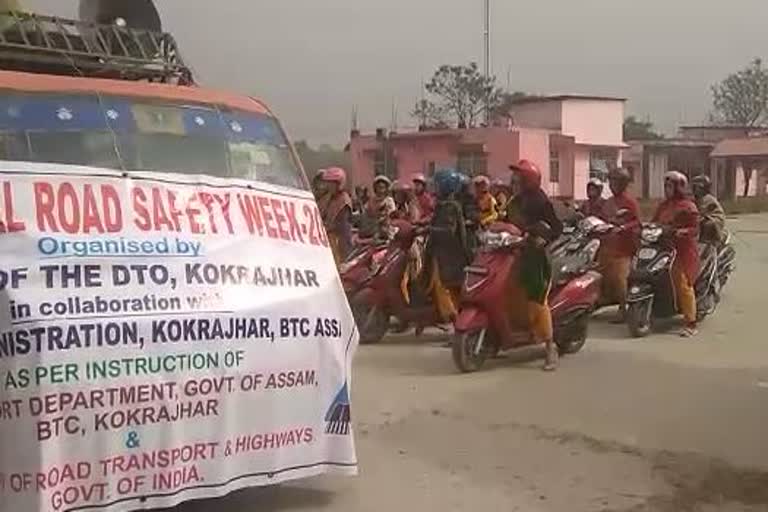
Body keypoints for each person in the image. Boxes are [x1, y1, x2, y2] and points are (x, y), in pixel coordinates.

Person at [507, 159, 563, 371]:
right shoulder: (514, 201)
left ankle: (550, 348)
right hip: (513, 253)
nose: (514, 179)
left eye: (518, 176)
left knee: (536, 299)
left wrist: (543, 239)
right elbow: (505, 222)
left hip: (535, 257)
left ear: (528, 179)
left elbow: (556, 228)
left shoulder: (541, 201)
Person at [653, 171, 700, 337]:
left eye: (670, 186)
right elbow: (654, 222)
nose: (667, 189)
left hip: (683, 251)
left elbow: (695, 229)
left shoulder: (688, 206)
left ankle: (691, 322)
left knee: (682, 284)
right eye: (666, 186)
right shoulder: (663, 206)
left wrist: (683, 232)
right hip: (664, 247)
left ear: (679, 187)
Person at [425, 169, 471, 323]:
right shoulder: (443, 205)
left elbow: (449, 231)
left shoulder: (450, 206)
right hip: (444, 254)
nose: (434, 188)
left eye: (437, 185)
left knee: (449, 289)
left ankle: (455, 322)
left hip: (451, 255)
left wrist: (429, 229)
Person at [599, 169, 641, 321]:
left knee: (619, 278)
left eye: (615, 182)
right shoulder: (608, 202)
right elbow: (602, 218)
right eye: (610, 181)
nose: (611, 185)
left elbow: (637, 221)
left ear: (623, 184)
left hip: (624, 248)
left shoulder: (630, 202)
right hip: (608, 245)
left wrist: (624, 227)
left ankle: (623, 309)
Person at [320, 167, 353, 265]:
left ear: (339, 184)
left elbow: (343, 226)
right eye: (327, 183)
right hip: (326, 239)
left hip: (338, 241)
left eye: (331, 183)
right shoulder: (327, 198)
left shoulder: (344, 201)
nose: (328, 186)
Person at [691, 175, 726, 246]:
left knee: (708, 225)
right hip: (703, 218)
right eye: (694, 187)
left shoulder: (708, 199)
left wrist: (697, 217)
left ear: (704, 188)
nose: (694, 189)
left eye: (697, 187)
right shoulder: (695, 199)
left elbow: (701, 212)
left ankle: (711, 244)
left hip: (714, 219)